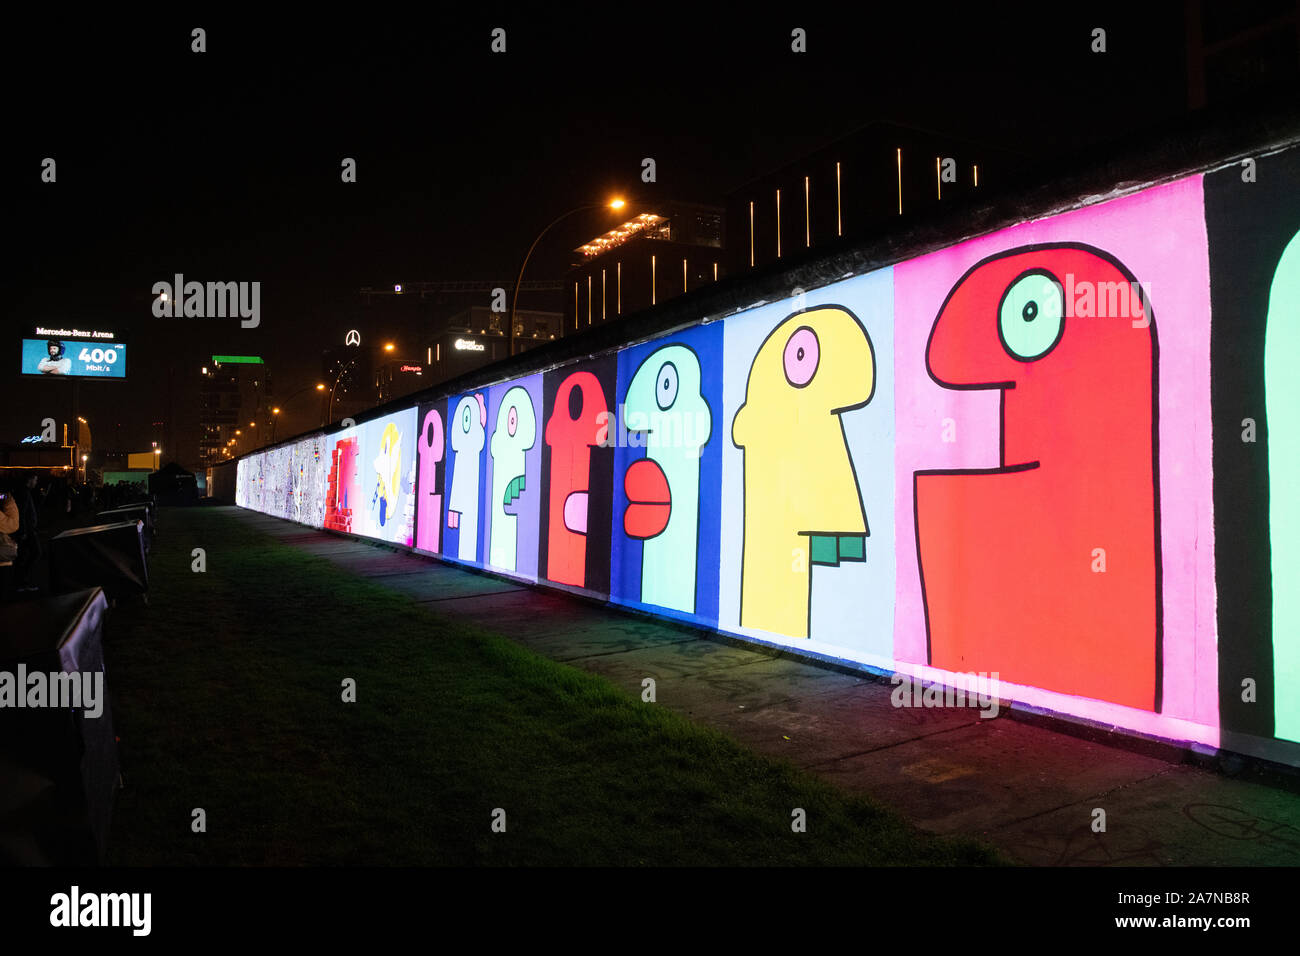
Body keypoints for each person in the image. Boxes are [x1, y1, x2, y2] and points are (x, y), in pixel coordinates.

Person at [13, 471, 42, 592]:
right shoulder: (24, 493)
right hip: (27, 531)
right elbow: (23, 513)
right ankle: (22, 582)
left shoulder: (24, 492)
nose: (36, 483)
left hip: (26, 530)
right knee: (35, 552)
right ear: (30, 480)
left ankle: (21, 582)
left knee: (23, 556)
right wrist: (24, 531)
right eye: (35, 480)